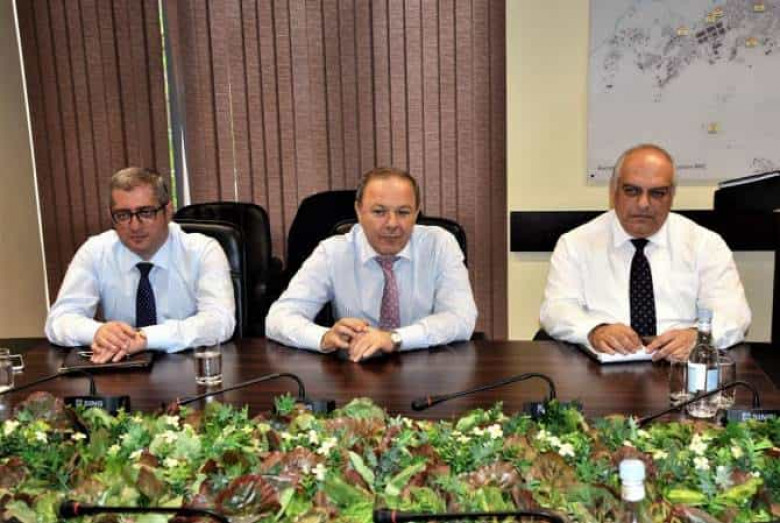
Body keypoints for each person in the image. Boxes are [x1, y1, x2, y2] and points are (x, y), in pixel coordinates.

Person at [540, 144, 751, 361]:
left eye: (657, 193)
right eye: (632, 191)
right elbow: (556, 309)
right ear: (613, 191)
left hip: (679, 365)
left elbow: (734, 314)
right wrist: (595, 330)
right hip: (604, 365)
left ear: (672, 195)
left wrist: (699, 336)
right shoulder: (576, 244)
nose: (643, 204)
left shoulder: (705, 244)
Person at [265, 167, 477, 362]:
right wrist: (324, 337)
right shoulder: (333, 252)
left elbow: (460, 318)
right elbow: (278, 318)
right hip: (355, 370)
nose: (392, 223)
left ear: (416, 212)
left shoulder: (440, 245)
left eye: (403, 212)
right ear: (359, 211)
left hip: (426, 369)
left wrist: (395, 338)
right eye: (379, 212)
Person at [45, 167, 235, 363]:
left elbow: (220, 322)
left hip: (188, 368)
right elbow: (58, 321)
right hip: (119, 368)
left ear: (168, 211)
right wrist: (99, 332)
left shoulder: (203, 251)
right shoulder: (96, 251)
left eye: (146, 212)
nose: (135, 226)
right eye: (123, 215)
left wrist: (146, 338)